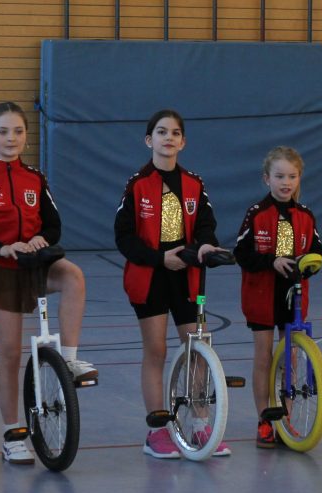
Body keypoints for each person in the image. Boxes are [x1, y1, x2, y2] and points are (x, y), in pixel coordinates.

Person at [0, 101, 98, 465]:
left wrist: (41, 241)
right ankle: (12, 433)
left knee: (73, 276)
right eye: (3, 132)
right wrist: (2, 247)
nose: (11, 138)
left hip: (36, 264)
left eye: (18, 131)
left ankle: (69, 360)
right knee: (9, 353)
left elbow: (53, 225)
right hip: (0, 270)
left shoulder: (35, 178)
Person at [114, 109, 231, 459]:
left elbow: (206, 225)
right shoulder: (137, 185)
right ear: (149, 140)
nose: (169, 138)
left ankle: (199, 425)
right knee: (157, 351)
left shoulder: (195, 184)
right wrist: (158, 258)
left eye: (175, 133)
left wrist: (205, 244)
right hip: (151, 276)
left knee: (197, 347)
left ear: (183, 141)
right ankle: (157, 429)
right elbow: (125, 238)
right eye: (161, 132)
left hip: (187, 276)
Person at [235, 146, 322, 449]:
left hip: (294, 298)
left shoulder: (306, 216)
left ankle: (284, 417)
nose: (286, 182)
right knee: (264, 356)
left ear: (299, 179)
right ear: (266, 179)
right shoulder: (257, 214)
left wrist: (307, 266)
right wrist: (271, 261)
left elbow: (317, 251)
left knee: (290, 359)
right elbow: (241, 253)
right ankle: (264, 418)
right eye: (280, 176)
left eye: (292, 176)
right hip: (262, 296)